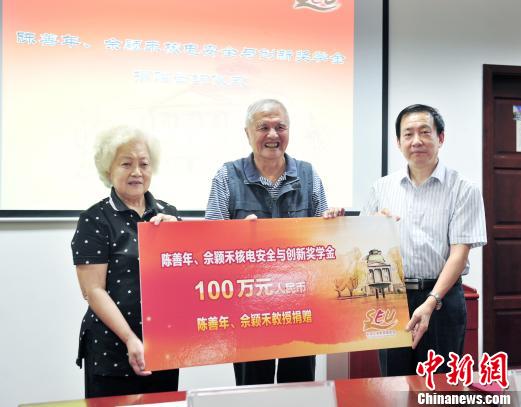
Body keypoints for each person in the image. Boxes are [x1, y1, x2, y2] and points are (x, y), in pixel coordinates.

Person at [205, 99, 333, 385]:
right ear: (248, 133)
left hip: (299, 306)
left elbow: (324, 242)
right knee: (252, 390)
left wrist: (331, 223)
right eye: (263, 127)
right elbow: (210, 242)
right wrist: (236, 236)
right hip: (247, 309)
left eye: (280, 127)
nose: (273, 135)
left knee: (299, 388)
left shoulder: (309, 175)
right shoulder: (227, 176)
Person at [364, 104, 487, 376]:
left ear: (440, 138)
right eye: (408, 134)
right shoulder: (380, 189)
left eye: (424, 132)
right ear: (398, 142)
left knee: (439, 385)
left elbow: (459, 254)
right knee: (393, 385)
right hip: (392, 300)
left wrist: (431, 301)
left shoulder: (463, 188)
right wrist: (373, 227)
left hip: (441, 299)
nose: (416, 141)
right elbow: (364, 248)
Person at [71, 126, 180, 397]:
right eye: (126, 164)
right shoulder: (94, 219)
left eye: (144, 164)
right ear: (108, 169)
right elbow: (93, 290)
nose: (137, 172)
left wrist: (180, 235)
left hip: (163, 347)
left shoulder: (168, 214)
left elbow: (185, 276)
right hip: (112, 349)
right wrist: (131, 339)